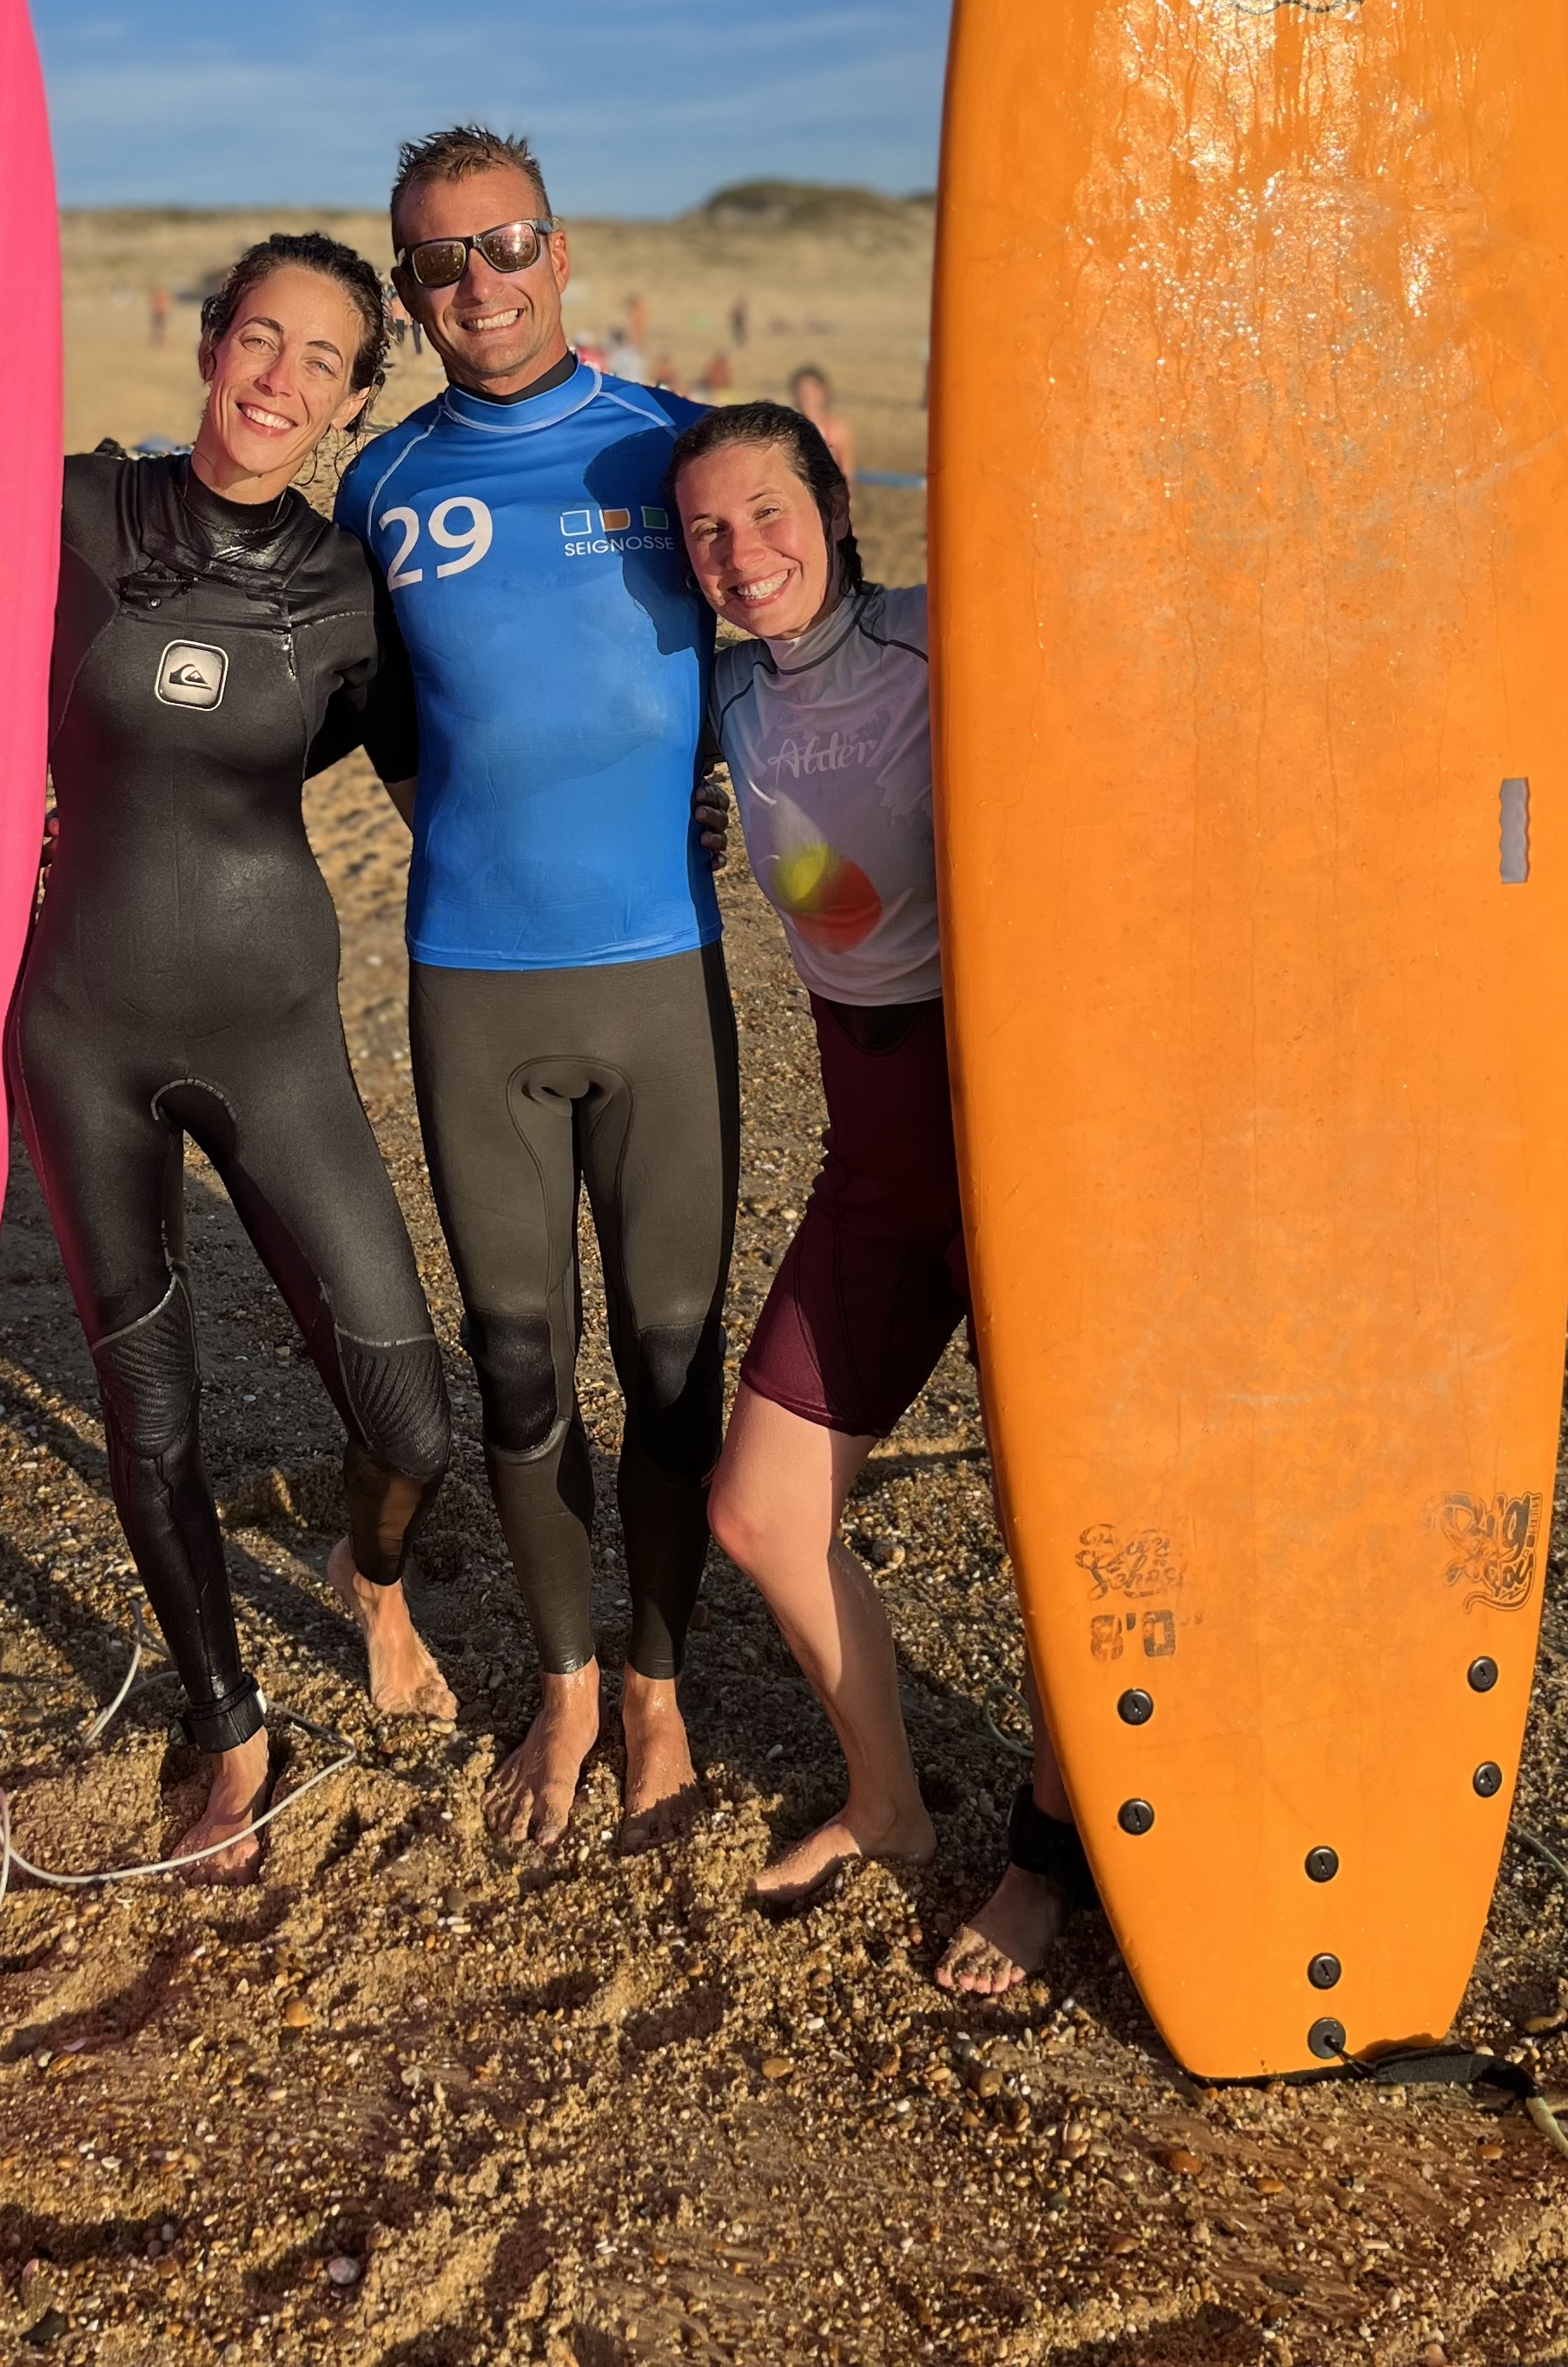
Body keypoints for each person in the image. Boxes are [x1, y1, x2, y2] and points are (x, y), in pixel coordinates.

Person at [8, 232, 457, 1879]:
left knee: (410, 1423)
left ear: (350, 401)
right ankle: (226, 1722)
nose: (281, 379)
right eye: (261, 338)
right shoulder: (71, 511)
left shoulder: (351, 592)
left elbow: (432, 777)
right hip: (81, 1028)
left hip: (273, 1036)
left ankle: (370, 1577)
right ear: (211, 345)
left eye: (321, 359)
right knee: (153, 1416)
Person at [339, 125, 733, 1852]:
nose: (479, 284)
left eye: (505, 245)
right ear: (407, 291)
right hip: (473, 987)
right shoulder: (381, 485)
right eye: (439, 261)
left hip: (661, 979)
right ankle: (565, 1683)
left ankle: (656, 1683)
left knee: (670, 1361)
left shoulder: (675, 447)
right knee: (516, 1365)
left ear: (559, 252)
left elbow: (813, 629)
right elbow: (357, 708)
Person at [672, 399, 1077, 1986]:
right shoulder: (724, 699)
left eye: (768, 513)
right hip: (875, 1152)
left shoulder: (938, 637)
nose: (741, 553)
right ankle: (890, 1804)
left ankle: (1046, 1859)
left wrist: (1514, 633)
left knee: (1060, 1523)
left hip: (1019, 1144)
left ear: (836, 510)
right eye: (707, 530)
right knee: (758, 1512)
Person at [786, 365, 857, 479]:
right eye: (802, 392)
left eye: (811, 392)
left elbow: (848, 474)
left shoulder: (838, 429)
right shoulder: (789, 429)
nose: (807, 398)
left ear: (823, 394)